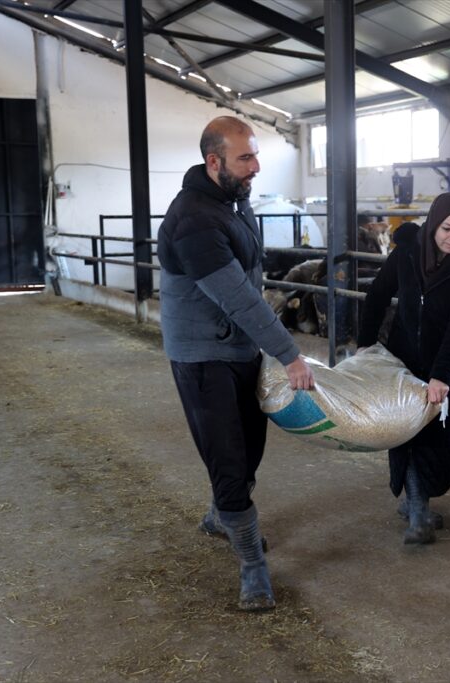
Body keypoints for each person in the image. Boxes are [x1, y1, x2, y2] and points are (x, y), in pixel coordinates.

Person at [157, 116, 314, 612]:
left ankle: (218, 516)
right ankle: (253, 569)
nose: (256, 167)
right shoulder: (194, 220)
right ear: (214, 161)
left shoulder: (234, 200)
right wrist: (289, 353)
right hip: (203, 354)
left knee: (248, 450)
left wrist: (262, 345)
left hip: (240, 347)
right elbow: (240, 300)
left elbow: (251, 278)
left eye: (255, 155)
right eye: (246, 158)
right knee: (228, 458)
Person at [357, 192, 450, 544]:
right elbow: (377, 295)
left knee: (441, 434)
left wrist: (441, 376)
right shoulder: (406, 252)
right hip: (406, 359)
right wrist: (365, 344)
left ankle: (419, 501)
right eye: (447, 228)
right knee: (408, 431)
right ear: (433, 224)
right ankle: (418, 513)